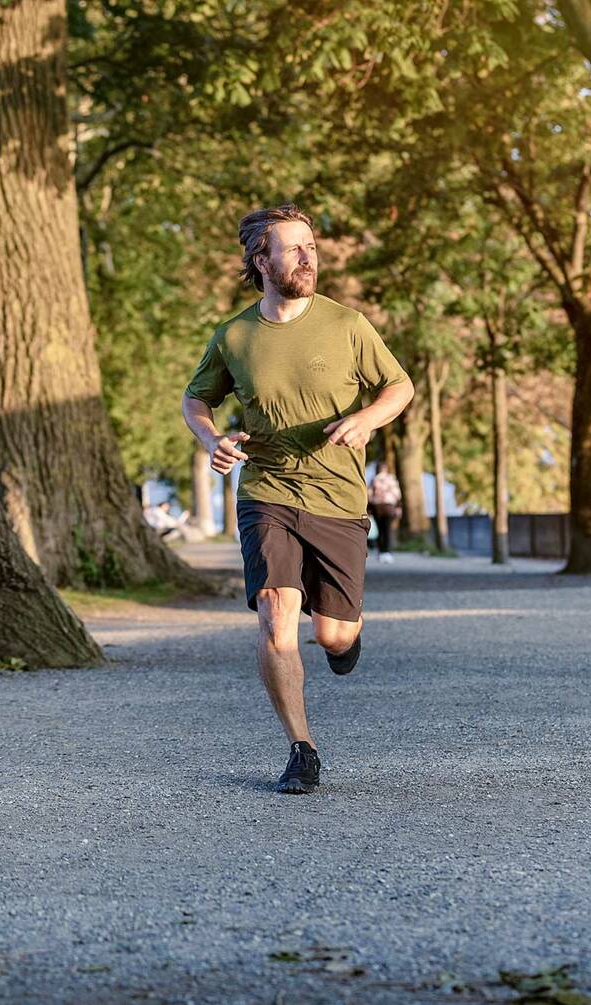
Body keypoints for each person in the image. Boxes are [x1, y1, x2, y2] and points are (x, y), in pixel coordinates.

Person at [180, 204, 414, 795]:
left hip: (337, 496)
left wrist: (366, 419)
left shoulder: (348, 325)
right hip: (267, 490)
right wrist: (213, 438)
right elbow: (196, 399)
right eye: (293, 248)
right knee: (277, 616)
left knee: (332, 635)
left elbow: (399, 385)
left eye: (311, 246)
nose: (308, 257)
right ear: (261, 260)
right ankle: (301, 749)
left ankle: (343, 633)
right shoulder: (234, 335)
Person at [367, 467, 402, 564]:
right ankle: (388, 552)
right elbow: (397, 494)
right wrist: (398, 507)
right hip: (389, 507)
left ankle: (381, 552)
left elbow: (369, 494)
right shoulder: (391, 479)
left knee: (380, 530)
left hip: (377, 507)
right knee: (387, 530)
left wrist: (369, 508)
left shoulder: (374, 479)